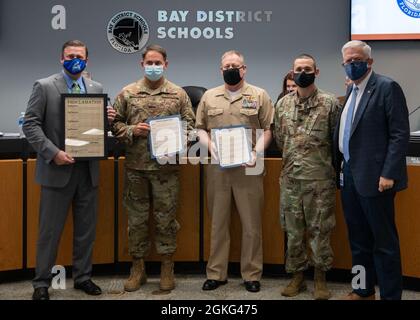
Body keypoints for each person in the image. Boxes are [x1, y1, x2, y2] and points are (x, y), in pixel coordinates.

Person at [23, 40, 116, 300]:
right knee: (49, 231)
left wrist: (105, 119)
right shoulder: (44, 86)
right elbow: (30, 125)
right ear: (61, 58)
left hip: (88, 170)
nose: (75, 59)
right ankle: (41, 282)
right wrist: (54, 153)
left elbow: (92, 130)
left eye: (80, 56)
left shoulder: (96, 87)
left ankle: (83, 277)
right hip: (57, 169)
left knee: (86, 231)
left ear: (87, 59)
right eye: (70, 55)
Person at [112, 44, 195, 292]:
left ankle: (167, 267)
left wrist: (178, 139)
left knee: (165, 220)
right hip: (136, 168)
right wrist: (131, 130)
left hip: (166, 170)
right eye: (150, 62)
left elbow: (191, 126)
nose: (154, 67)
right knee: (136, 220)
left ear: (166, 65)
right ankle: (138, 268)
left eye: (158, 63)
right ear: (142, 64)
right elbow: (114, 123)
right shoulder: (128, 93)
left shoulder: (178, 94)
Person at [334, 40, 410, 300]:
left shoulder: (387, 87)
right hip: (350, 177)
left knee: (384, 244)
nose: (351, 65)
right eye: (347, 61)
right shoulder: (351, 91)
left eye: (357, 60)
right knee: (357, 240)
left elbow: (400, 135)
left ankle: (390, 296)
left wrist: (389, 173)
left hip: (377, 179)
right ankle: (362, 289)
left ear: (369, 61)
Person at [195, 50, 273, 293]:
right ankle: (216, 273)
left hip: (249, 166)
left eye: (236, 65)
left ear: (244, 69)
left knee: (251, 225)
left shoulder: (259, 95)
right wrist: (211, 148)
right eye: (227, 65)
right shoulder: (209, 96)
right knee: (218, 223)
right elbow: (200, 129)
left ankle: (251, 274)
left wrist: (256, 153)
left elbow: (268, 130)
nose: (231, 68)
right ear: (221, 70)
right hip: (218, 167)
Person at [273, 54, 340, 300]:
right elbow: (281, 139)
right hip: (290, 179)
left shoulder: (330, 103)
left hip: (319, 180)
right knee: (292, 231)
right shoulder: (282, 104)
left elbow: (336, 142)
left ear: (316, 72)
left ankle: (320, 278)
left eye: (307, 68)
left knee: (320, 230)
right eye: (299, 69)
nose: (303, 72)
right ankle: (297, 277)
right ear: (292, 72)